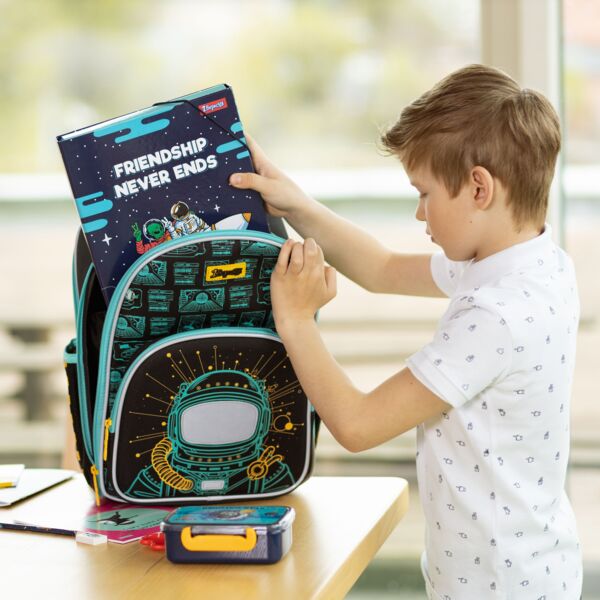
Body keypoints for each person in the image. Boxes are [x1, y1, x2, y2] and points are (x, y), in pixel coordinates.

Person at [229, 64, 582, 599]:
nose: (420, 214)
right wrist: (296, 203)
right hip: (532, 568)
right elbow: (383, 268)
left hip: (496, 586)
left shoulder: (496, 316)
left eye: (424, 193)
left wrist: (295, 321)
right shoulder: (530, 263)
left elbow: (358, 424)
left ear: (479, 188)